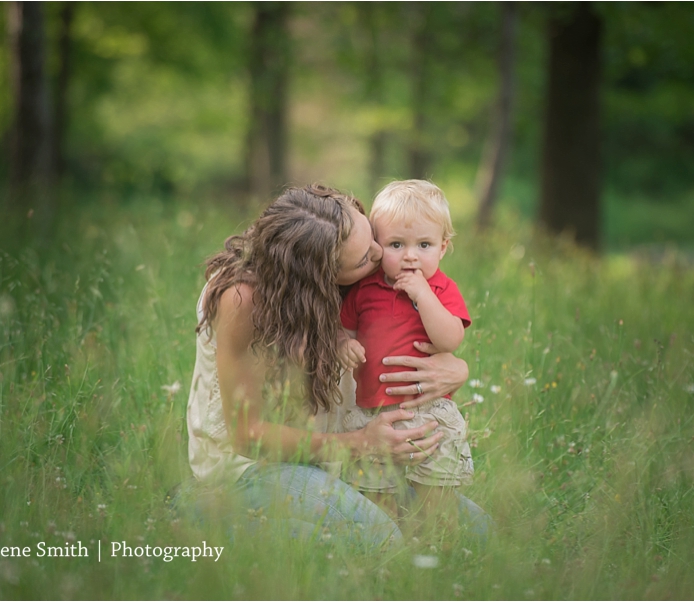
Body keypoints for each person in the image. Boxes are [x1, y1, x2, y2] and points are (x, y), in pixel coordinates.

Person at [186, 184, 489, 549]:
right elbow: (246, 434)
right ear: (316, 274)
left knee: (477, 535)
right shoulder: (242, 301)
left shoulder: (358, 263)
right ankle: (199, 513)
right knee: (383, 541)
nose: (380, 255)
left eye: (374, 238)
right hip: (254, 467)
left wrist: (456, 367)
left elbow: (418, 332)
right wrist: (360, 443)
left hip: (337, 461)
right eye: (364, 257)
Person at [339, 180, 473, 534]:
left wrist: (423, 294)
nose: (411, 255)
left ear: (443, 248)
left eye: (424, 245)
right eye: (397, 244)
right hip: (372, 411)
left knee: (436, 501)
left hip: (428, 413)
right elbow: (344, 329)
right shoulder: (365, 289)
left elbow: (450, 339)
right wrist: (344, 344)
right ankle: (388, 553)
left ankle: (434, 556)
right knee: (375, 501)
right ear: (378, 247)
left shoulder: (442, 288)